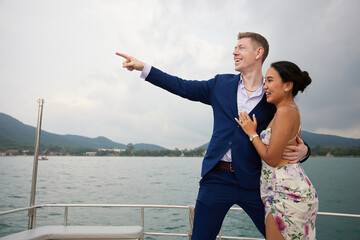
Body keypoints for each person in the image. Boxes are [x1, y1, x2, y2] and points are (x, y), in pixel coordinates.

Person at [116, 32, 310, 240]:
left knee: (281, 236)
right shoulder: (220, 84)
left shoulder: (272, 94)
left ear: (258, 53)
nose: (234, 51)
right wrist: (144, 68)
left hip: (254, 181)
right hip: (217, 178)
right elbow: (181, 86)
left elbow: (287, 128)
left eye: (241, 47)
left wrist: (306, 149)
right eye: (235, 48)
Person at [236, 61, 318, 239]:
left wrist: (252, 134)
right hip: (285, 190)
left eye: (270, 80)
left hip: (285, 194)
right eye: (265, 81)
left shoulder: (285, 112)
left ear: (288, 85)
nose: (265, 86)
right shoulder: (286, 110)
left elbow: (271, 159)